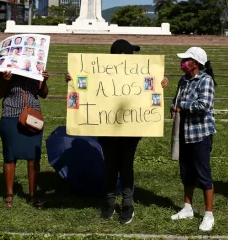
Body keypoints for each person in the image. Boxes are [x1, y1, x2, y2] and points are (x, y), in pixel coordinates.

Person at [65, 39, 169, 224]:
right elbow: (87, 84)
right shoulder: (103, 71)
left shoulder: (139, 73)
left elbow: (149, 91)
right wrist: (73, 79)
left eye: (125, 55)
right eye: (118, 55)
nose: (122, 59)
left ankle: (127, 204)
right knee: (111, 166)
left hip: (131, 129)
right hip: (107, 128)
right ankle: (110, 202)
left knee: (126, 165)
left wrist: (160, 84)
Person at [169, 47, 216, 232]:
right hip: (183, 133)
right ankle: (187, 207)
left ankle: (208, 214)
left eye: (186, 60)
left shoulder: (206, 80)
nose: (182, 63)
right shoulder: (183, 80)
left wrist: (182, 106)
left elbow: (204, 105)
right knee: (186, 172)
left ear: (196, 63)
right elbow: (176, 100)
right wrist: (173, 106)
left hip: (200, 134)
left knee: (203, 173)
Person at [0, 68, 49, 208]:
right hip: (11, 116)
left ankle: (32, 195)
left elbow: (44, 94)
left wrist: (44, 80)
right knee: (10, 156)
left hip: (33, 118)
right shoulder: (5, 71)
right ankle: (9, 194)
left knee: (33, 157)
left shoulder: (37, 69)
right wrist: (5, 81)